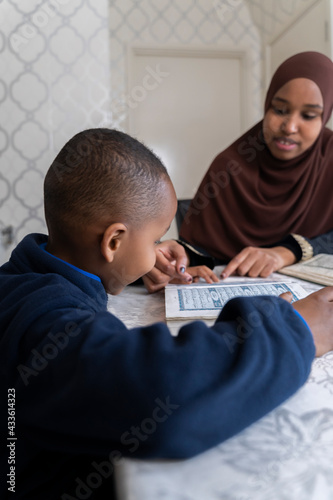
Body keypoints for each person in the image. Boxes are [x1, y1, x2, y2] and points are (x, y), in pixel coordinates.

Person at [1, 128, 333, 500]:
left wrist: (132, 259)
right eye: (156, 239)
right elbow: (159, 393)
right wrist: (296, 327)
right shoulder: (42, 321)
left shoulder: (26, 279)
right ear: (113, 241)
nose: (160, 250)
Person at [177, 51, 333, 280]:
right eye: (279, 110)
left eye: (308, 115)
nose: (289, 127)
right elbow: (199, 252)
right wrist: (177, 260)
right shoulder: (228, 168)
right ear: (267, 105)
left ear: (325, 116)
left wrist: (287, 251)